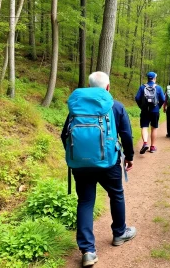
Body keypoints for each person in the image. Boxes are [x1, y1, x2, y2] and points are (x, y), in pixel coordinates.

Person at [61, 71, 136, 267]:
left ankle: (87, 250)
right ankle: (119, 233)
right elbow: (127, 135)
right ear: (108, 87)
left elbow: (65, 135)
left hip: (80, 164)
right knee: (116, 194)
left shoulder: (76, 108)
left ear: (89, 86)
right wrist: (129, 156)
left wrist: (75, 157)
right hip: (108, 162)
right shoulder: (116, 106)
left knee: (85, 201)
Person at [135, 71, 165, 154]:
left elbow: (137, 98)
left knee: (144, 127)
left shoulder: (142, 87)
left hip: (145, 111)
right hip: (155, 110)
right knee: (154, 128)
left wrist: (141, 106)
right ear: (155, 78)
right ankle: (152, 147)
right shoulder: (158, 88)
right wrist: (158, 107)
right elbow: (163, 99)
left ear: (147, 78)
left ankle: (145, 143)